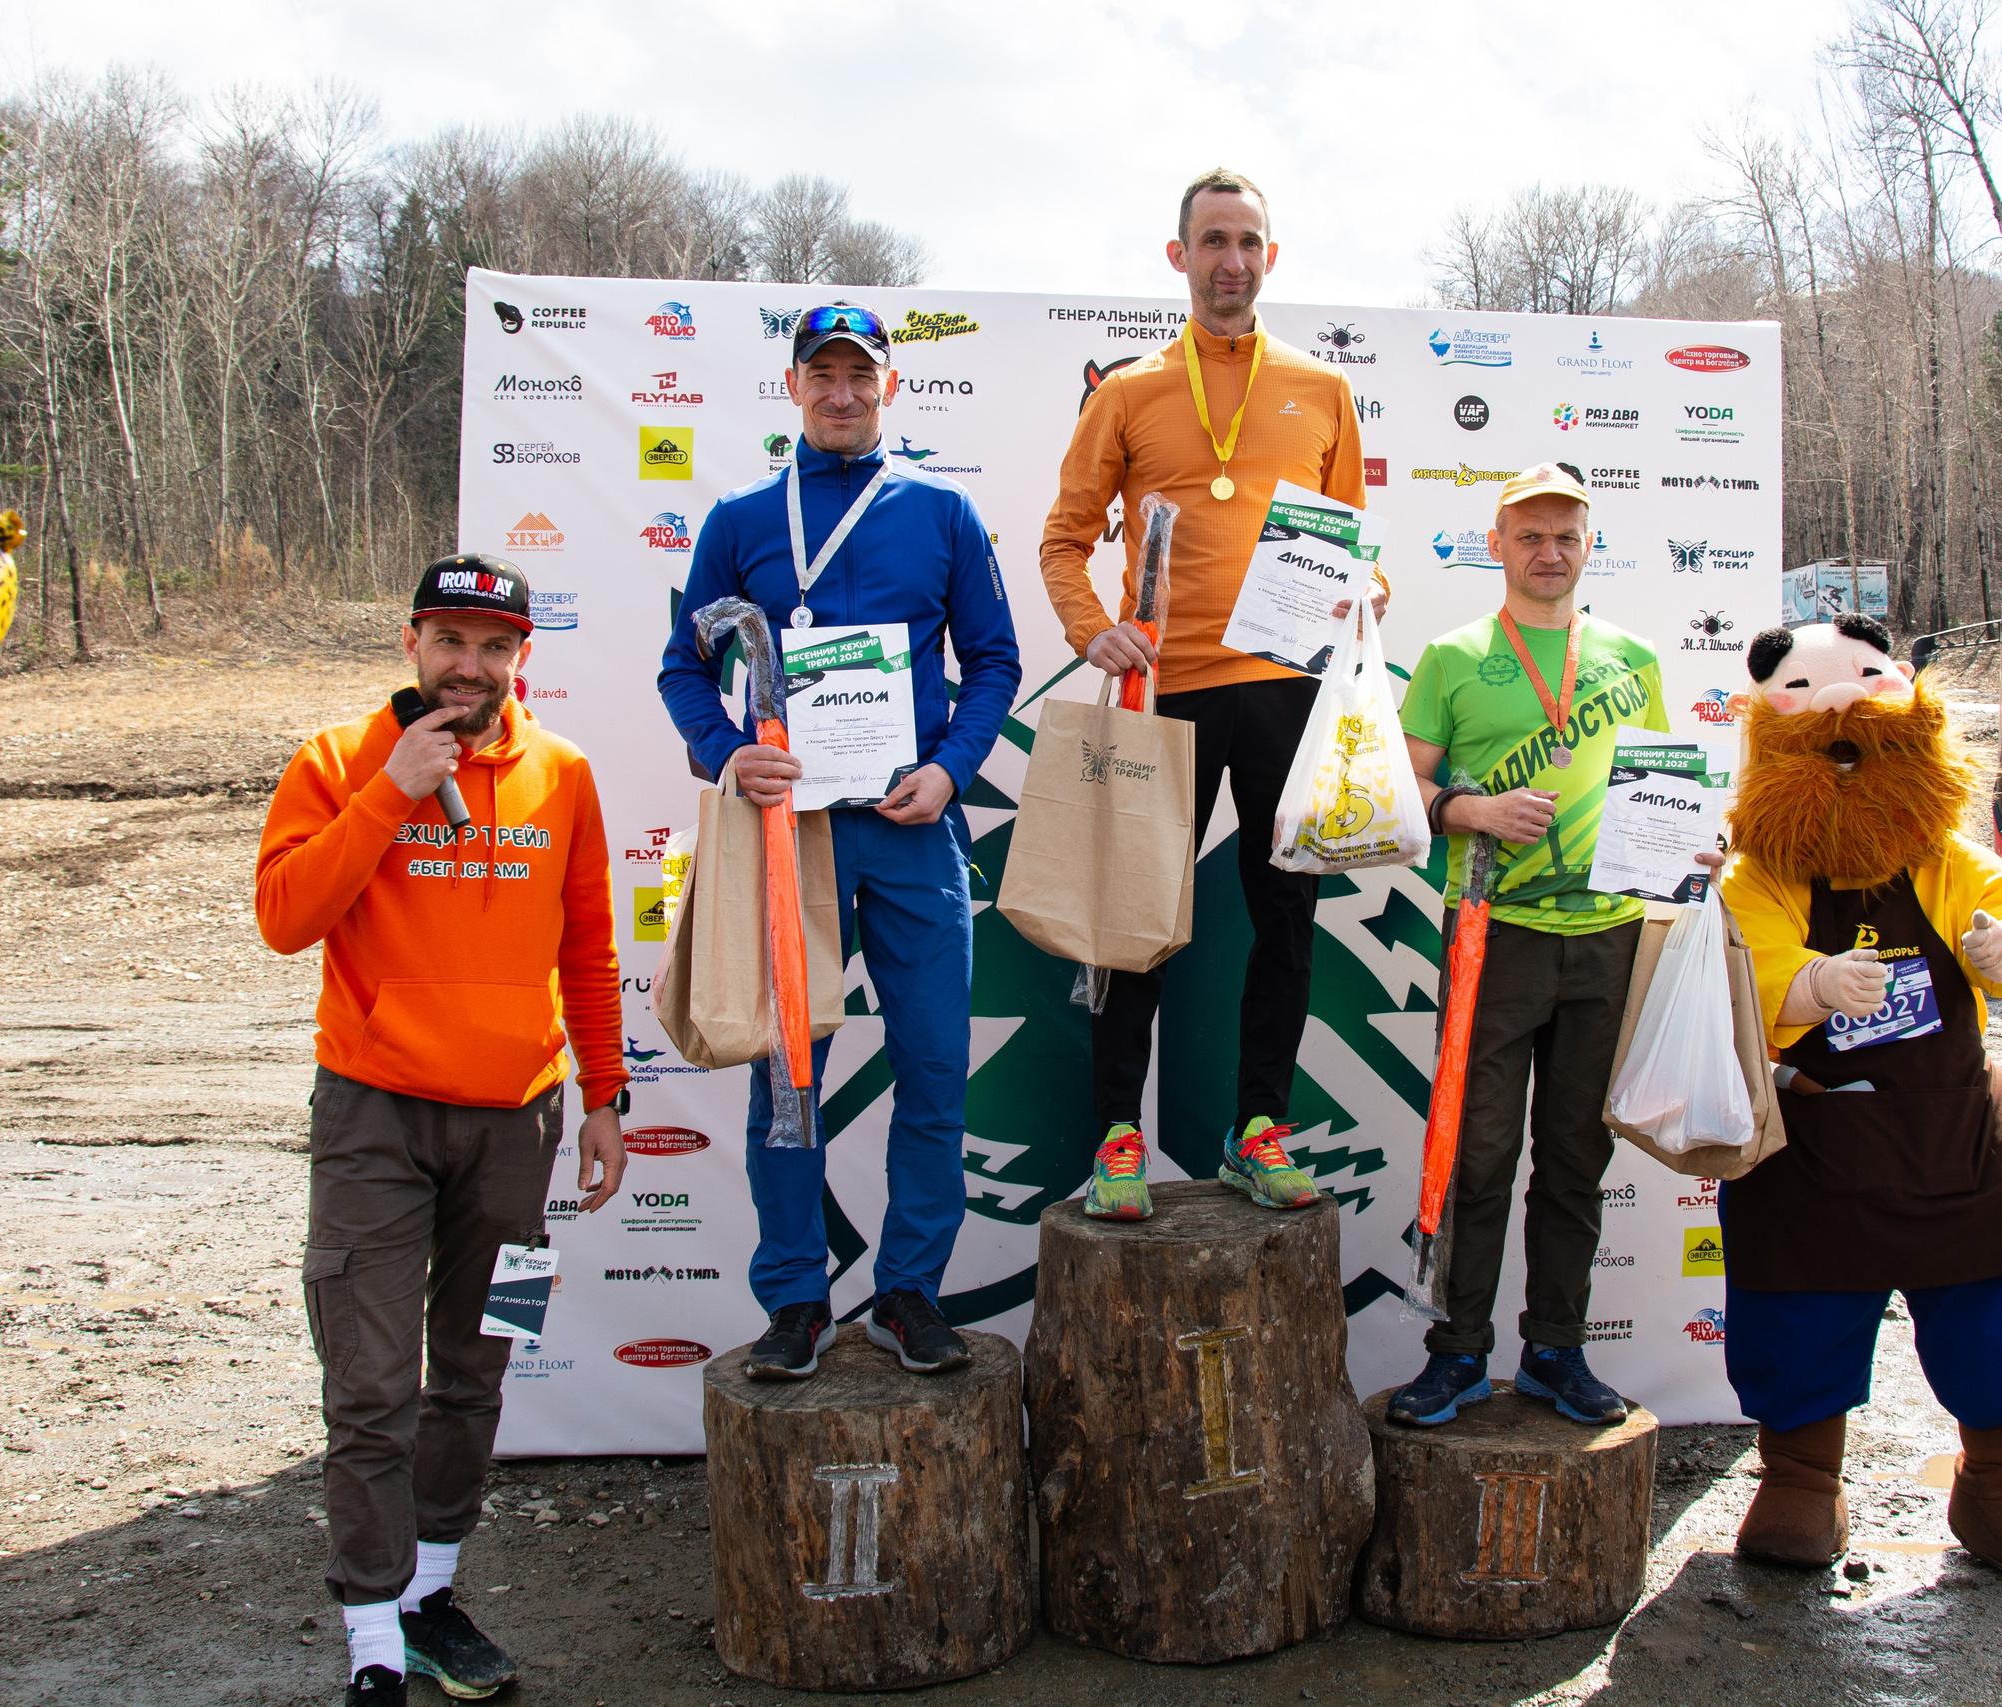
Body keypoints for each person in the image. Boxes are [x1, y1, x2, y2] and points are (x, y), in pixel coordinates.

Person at [256, 554, 630, 1707]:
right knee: (370, 1380)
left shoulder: (561, 774)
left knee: (476, 1367)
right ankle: (370, 1626)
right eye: (451, 641)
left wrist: (606, 1097)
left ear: (523, 659)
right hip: (374, 1115)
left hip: (518, 1122)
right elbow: (285, 920)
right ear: (412, 641)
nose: (471, 667)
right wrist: (393, 791)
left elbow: (589, 945)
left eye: (494, 647)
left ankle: (431, 1590)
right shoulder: (333, 763)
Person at [658, 302, 1019, 1382]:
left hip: (909, 830)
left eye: (860, 373)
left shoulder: (943, 513)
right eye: (822, 372)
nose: (842, 391)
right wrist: (726, 754)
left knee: (935, 1071)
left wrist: (950, 768)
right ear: (793, 386)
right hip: (790, 838)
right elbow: (683, 666)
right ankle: (795, 1299)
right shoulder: (738, 517)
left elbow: (993, 661)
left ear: (889, 388)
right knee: (786, 1075)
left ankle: (909, 1292)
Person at [1038, 166, 1388, 1220]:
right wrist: (1088, 628)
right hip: (1165, 691)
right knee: (1135, 917)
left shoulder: (1320, 390)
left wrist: (1363, 594)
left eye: (1247, 242)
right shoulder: (1131, 390)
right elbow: (1063, 540)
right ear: (1178, 256)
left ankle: (1258, 1128)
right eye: (1211, 242)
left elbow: (1358, 552)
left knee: (1284, 915)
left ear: (1269, 257)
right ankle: (1116, 1139)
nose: (1229, 261)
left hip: (1285, 693)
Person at [1717, 614, 2002, 1584]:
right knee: (1789, 1275)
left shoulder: (1943, 856)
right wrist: (1804, 986)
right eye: (1809, 705)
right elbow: (1742, 952)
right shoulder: (1763, 865)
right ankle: (1800, 1476)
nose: (1844, 735)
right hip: (1820, 1133)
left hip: (1950, 1128)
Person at [1389, 464, 1689, 1429]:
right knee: (1479, 1155)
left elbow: (1656, 787)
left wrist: (1689, 844)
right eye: (1530, 536)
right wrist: (1474, 809)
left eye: (1566, 536)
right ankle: (1459, 1352)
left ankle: (1556, 1350)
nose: (1549, 552)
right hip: (1493, 932)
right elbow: (1402, 791)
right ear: (1498, 544)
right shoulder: (1451, 654)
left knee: (1574, 1158)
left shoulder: (1633, 657)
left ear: (1588, 544)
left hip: (1605, 936)